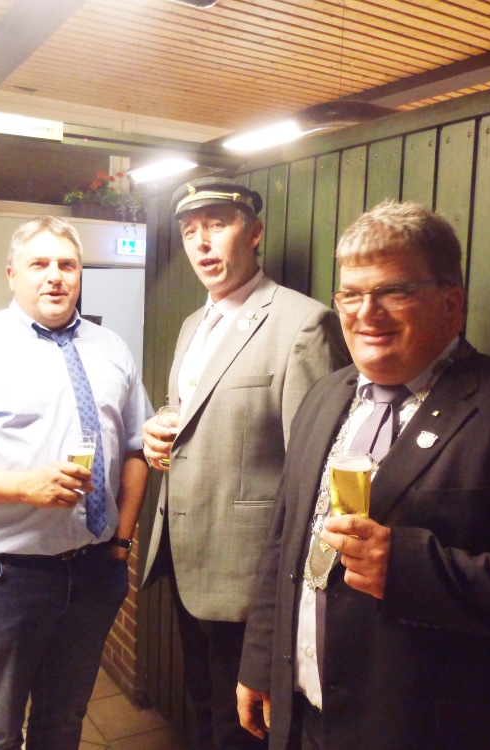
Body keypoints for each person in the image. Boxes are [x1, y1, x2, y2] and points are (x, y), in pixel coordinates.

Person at [236, 200, 490, 750]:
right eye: (351, 294)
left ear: (452, 304)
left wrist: (409, 570)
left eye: (393, 291)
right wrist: (261, 659)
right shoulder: (324, 395)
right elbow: (285, 539)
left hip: (423, 728)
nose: (366, 312)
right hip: (303, 714)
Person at [0, 215, 151, 750]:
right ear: (12, 274)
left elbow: (135, 448)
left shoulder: (113, 348)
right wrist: (23, 487)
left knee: (63, 721)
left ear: (80, 274)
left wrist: (122, 542)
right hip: (5, 577)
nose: (54, 276)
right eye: (39, 264)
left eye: (67, 264)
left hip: (94, 571)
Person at [140, 177, 350, 750]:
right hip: (186, 557)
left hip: (249, 574)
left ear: (254, 233)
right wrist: (162, 426)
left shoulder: (303, 323)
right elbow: (199, 410)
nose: (202, 243)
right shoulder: (193, 325)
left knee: (245, 728)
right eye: (190, 231)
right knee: (202, 706)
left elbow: (315, 469)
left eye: (217, 225)